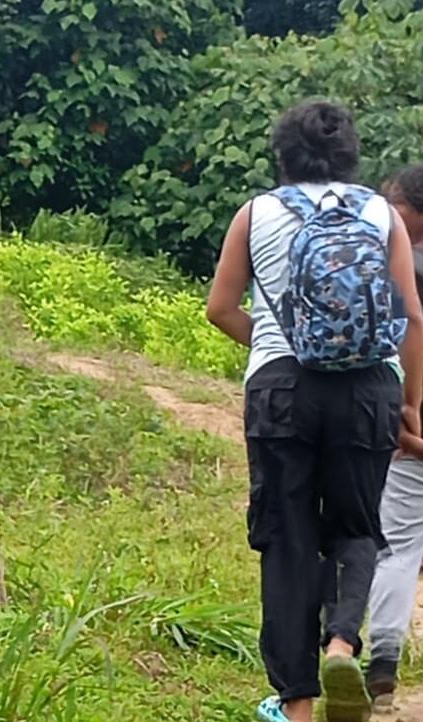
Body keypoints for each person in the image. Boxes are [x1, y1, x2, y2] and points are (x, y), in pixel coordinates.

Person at [206, 101, 423, 722]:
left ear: (283, 154)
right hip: (367, 389)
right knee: (358, 526)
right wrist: (409, 403)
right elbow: (411, 315)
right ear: (350, 154)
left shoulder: (256, 213)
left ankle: (297, 704)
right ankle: (342, 642)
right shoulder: (382, 214)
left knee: (288, 537)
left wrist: (278, 346)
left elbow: (220, 308)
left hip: (281, 391)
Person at [366, 164, 423, 710]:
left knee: (398, 546)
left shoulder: (398, 264)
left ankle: (381, 658)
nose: (384, 209)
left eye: (392, 201)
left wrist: (407, 412)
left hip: (408, 421)